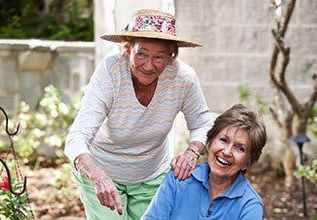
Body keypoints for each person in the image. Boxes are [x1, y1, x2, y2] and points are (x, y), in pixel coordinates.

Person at [64, 8, 214, 220]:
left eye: (159, 57)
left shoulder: (183, 78)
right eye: (141, 53)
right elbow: (76, 137)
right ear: (128, 49)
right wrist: (97, 175)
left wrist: (192, 152)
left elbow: (203, 123)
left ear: (171, 57)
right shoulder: (111, 71)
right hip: (103, 172)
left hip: (151, 175)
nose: (148, 65)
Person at [141, 104, 267, 220]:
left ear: (248, 161)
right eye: (223, 140)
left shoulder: (250, 206)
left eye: (240, 148)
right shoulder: (179, 177)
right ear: (209, 143)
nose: (227, 152)